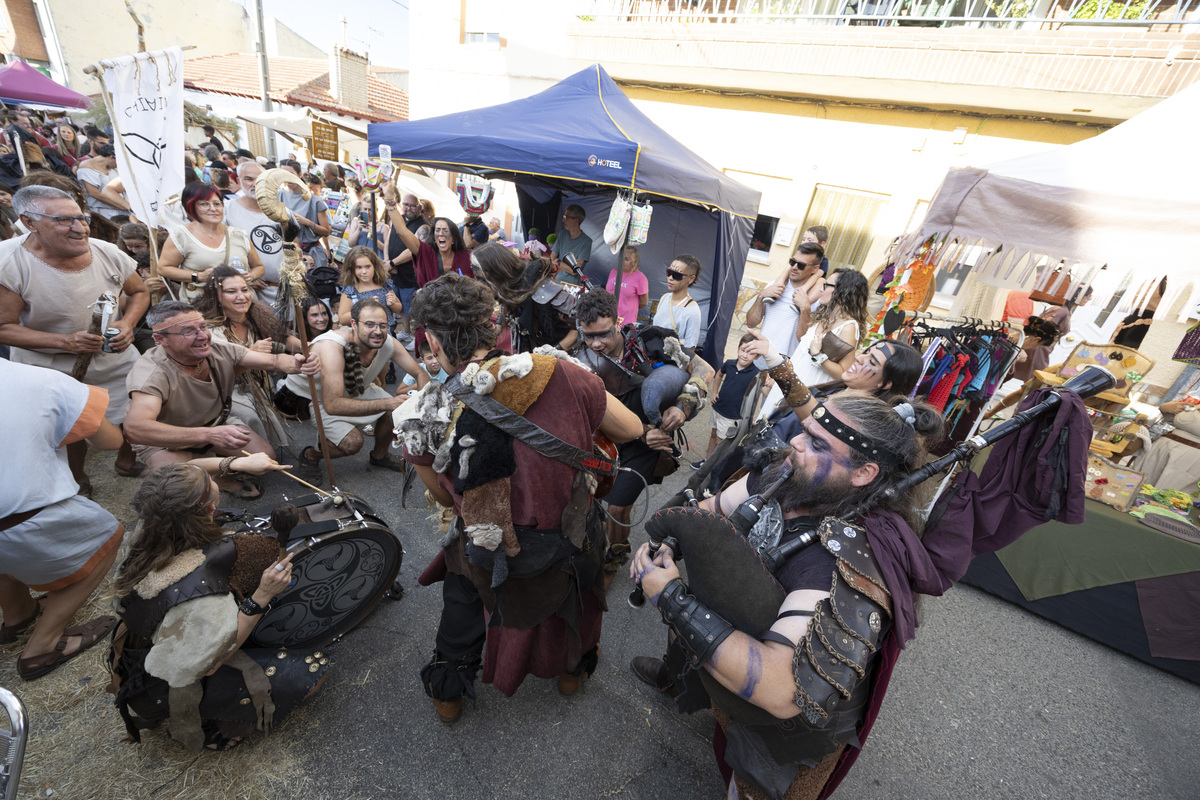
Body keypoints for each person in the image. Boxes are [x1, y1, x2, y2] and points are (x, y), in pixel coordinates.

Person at [629, 390, 946, 800]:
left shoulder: (844, 562)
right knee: (699, 657)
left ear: (863, 473)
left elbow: (782, 690)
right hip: (730, 626)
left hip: (785, 721)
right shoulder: (787, 472)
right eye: (804, 431)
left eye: (817, 443)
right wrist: (672, 544)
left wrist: (671, 597)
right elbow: (709, 512)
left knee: (750, 784)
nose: (794, 442)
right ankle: (681, 682)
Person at [400, 274, 642, 723]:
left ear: (432, 343)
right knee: (579, 599)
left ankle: (449, 698)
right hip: (567, 535)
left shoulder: (423, 410)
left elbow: (441, 493)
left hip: (482, 543)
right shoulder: (562, 372)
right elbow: (632, 430)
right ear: (496, 329)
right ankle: (572, 673)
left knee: (462, 600)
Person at [109, 456, 329, 751]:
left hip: (155, 642)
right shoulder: (201, 591)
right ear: (210, 508)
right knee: (312, 671)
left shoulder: (151, 524)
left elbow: (189, 472)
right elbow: (209, 663)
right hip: (169, 677)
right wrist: (262, 595)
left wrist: (235, 464)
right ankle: (214, 723)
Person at [0, 185, 149, 492]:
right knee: (73, 428)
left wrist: (127, 323)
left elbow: (140, 291)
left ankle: (126, 459)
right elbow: (3, 327)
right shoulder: (9, 263)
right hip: (50, 369)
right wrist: (65, 342)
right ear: (29, 222)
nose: (80, 228)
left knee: (132, 414)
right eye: (64, 221)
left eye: (82, 218)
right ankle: (76, 479)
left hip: (115, 360)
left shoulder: (107, 252)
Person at [575, 289, 715, 588]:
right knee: (594, 500)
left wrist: (684, 404)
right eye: (588, 336)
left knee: (617, 508)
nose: (596, 343)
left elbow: (704, 369)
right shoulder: (582, 360)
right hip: (607, 441)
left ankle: (615, 557)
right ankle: (601, 540)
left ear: (617, 321)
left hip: (651, 441)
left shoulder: (652, 340)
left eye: (603, 334)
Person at [0, 360, 125, 680]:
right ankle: (42, 646)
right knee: (107, 532)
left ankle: (18, 615)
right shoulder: (44, 380)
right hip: (19, 518)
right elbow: (111, 441)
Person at [123, 301, 319, 497]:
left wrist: (296, 363)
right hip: (165, 439)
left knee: (265, 455)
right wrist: (209, 436)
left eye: (202, 326)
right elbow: (135, 429)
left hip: (215, 422)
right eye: (188, 331)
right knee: (185, 481)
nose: (203, 336)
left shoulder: (218, 349)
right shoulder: (150, 373)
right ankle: (211, 476)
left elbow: (274, 361)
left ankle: (222, 477)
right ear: (160, 339)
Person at [284, 298, 425, 479]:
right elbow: (332, 405)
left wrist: (426, 405)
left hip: (354, 390)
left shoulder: (388, 342)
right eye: (369, 325)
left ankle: (379, 456)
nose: (377, 331)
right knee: (352, 442)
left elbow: (419, 373)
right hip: (315, 398)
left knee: (395, 409)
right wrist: (388, 402)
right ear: (354, 324)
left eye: (383, 325)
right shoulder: (331, 347)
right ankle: (311, 454)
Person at [196, 266, 300, 448]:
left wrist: (310, 347)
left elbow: (282, 336)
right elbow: (214, 376)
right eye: (231, 291)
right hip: (226, 392)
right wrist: (252, 353)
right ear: (215, 296)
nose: (241, 296)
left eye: (244, 290)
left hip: (256, 386)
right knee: (250, 420)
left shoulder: (256, 314)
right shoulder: (209, 330)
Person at [761, 268, 870, 416]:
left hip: (806, 396)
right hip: (789, 386)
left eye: (826, 285)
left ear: (842, 292)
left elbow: (843, 374)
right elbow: (801, 352)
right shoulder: (822, 317)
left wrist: (818, 355)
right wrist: (781, 371)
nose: (821, 289)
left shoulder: (848, 327)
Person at [157, 183, 266, 303]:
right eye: (204, 204)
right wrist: (198, 276)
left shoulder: (238, 235)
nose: (213, 208)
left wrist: (251, 276)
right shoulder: (181, 235)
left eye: (216, 204)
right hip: (203, 307)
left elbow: (259, 267)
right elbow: (163, 269)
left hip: (240, 306)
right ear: (191, 207)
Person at [469, 241, 578, 353]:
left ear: (499, 273)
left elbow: (581, 325)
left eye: (483, 279)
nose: (481, 285)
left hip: (564, 357)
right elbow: (505, 309)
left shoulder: (542, 289)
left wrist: (554, 352)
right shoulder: (510, 290)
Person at [745, 243, 825, 369]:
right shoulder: (774, 286)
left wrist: (804, 309)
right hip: (760, 357)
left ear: (815, 269)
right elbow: (750, 323)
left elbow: (805, 340)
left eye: (801, 265)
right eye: (792, 262)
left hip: (788, 364)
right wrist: (761, 297)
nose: (794, 267)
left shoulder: (817, 299)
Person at [223, 162, 286, 306]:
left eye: (260, 180)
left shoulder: (281, 210)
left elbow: (293, 247)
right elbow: (222, 250)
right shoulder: (227, 210)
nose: (255, 184)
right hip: (246, 292)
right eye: (249, 179)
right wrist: (248, 278)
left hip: (281, 291)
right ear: (238, 181)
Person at [703, 333, 762, 459]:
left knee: (721, 443)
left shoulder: (756, 374)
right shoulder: (729, 364)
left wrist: (749, 418)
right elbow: (719, 374)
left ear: (757, 356)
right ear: (738, 348)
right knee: (713, 435)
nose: (745, 355)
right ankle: (706, 462)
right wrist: (714, 391)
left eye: (751, 353)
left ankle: (712, 470)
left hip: (732, 415)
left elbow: (759, 395)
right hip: (718, 408)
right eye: (743, 350)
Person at [278, 160, 331, 268]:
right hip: (288, 254)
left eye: (291, 174)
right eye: (284, 174)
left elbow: (326, 231)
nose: (287, 178)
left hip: (313, 254)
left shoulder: (315, 201)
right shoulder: (279, 196)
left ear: (300, 174)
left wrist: (307, 222)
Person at [338, 245, 402, 334]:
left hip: (387, 333)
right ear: (351, 269)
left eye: (367, 267)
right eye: (359, 267)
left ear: (375, 266)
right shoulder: (350, 290)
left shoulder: (383, 284)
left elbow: (398, 308)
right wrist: (364, 308)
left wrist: (393, 304)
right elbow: (342, 318)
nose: (364, 271)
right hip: (364, 337)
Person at [651, 254, 703, 348]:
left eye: (677, 275)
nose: (670, 278)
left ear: (691, 279)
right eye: (669, 272)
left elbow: (690, 348)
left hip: (670, 361)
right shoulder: (665, 298)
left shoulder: (692, 311)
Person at [77, 144, 131, 221]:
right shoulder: (85, 169)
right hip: (103, 211)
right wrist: (123, 205)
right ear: (112, 157)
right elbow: (94, 193)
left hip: (123, 209)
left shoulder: (113, 169)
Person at [606, 246, 650, 326]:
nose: (622, 261)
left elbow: (644, 302)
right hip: (607, 319)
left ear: (634, 262)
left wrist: (628, 307)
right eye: (621, 257)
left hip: (625, 323)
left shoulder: (640, 277)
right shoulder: (613, 272)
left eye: (626, 259)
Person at [551, 203, 592, 285]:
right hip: (556, 281)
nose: (563, 220)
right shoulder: (562, 234)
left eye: (566, 217)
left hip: (570, 286)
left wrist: (558, 261)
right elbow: (551, 258)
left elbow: (574, 271)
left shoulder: (586, 241)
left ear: (576, 220)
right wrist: (565, 265)